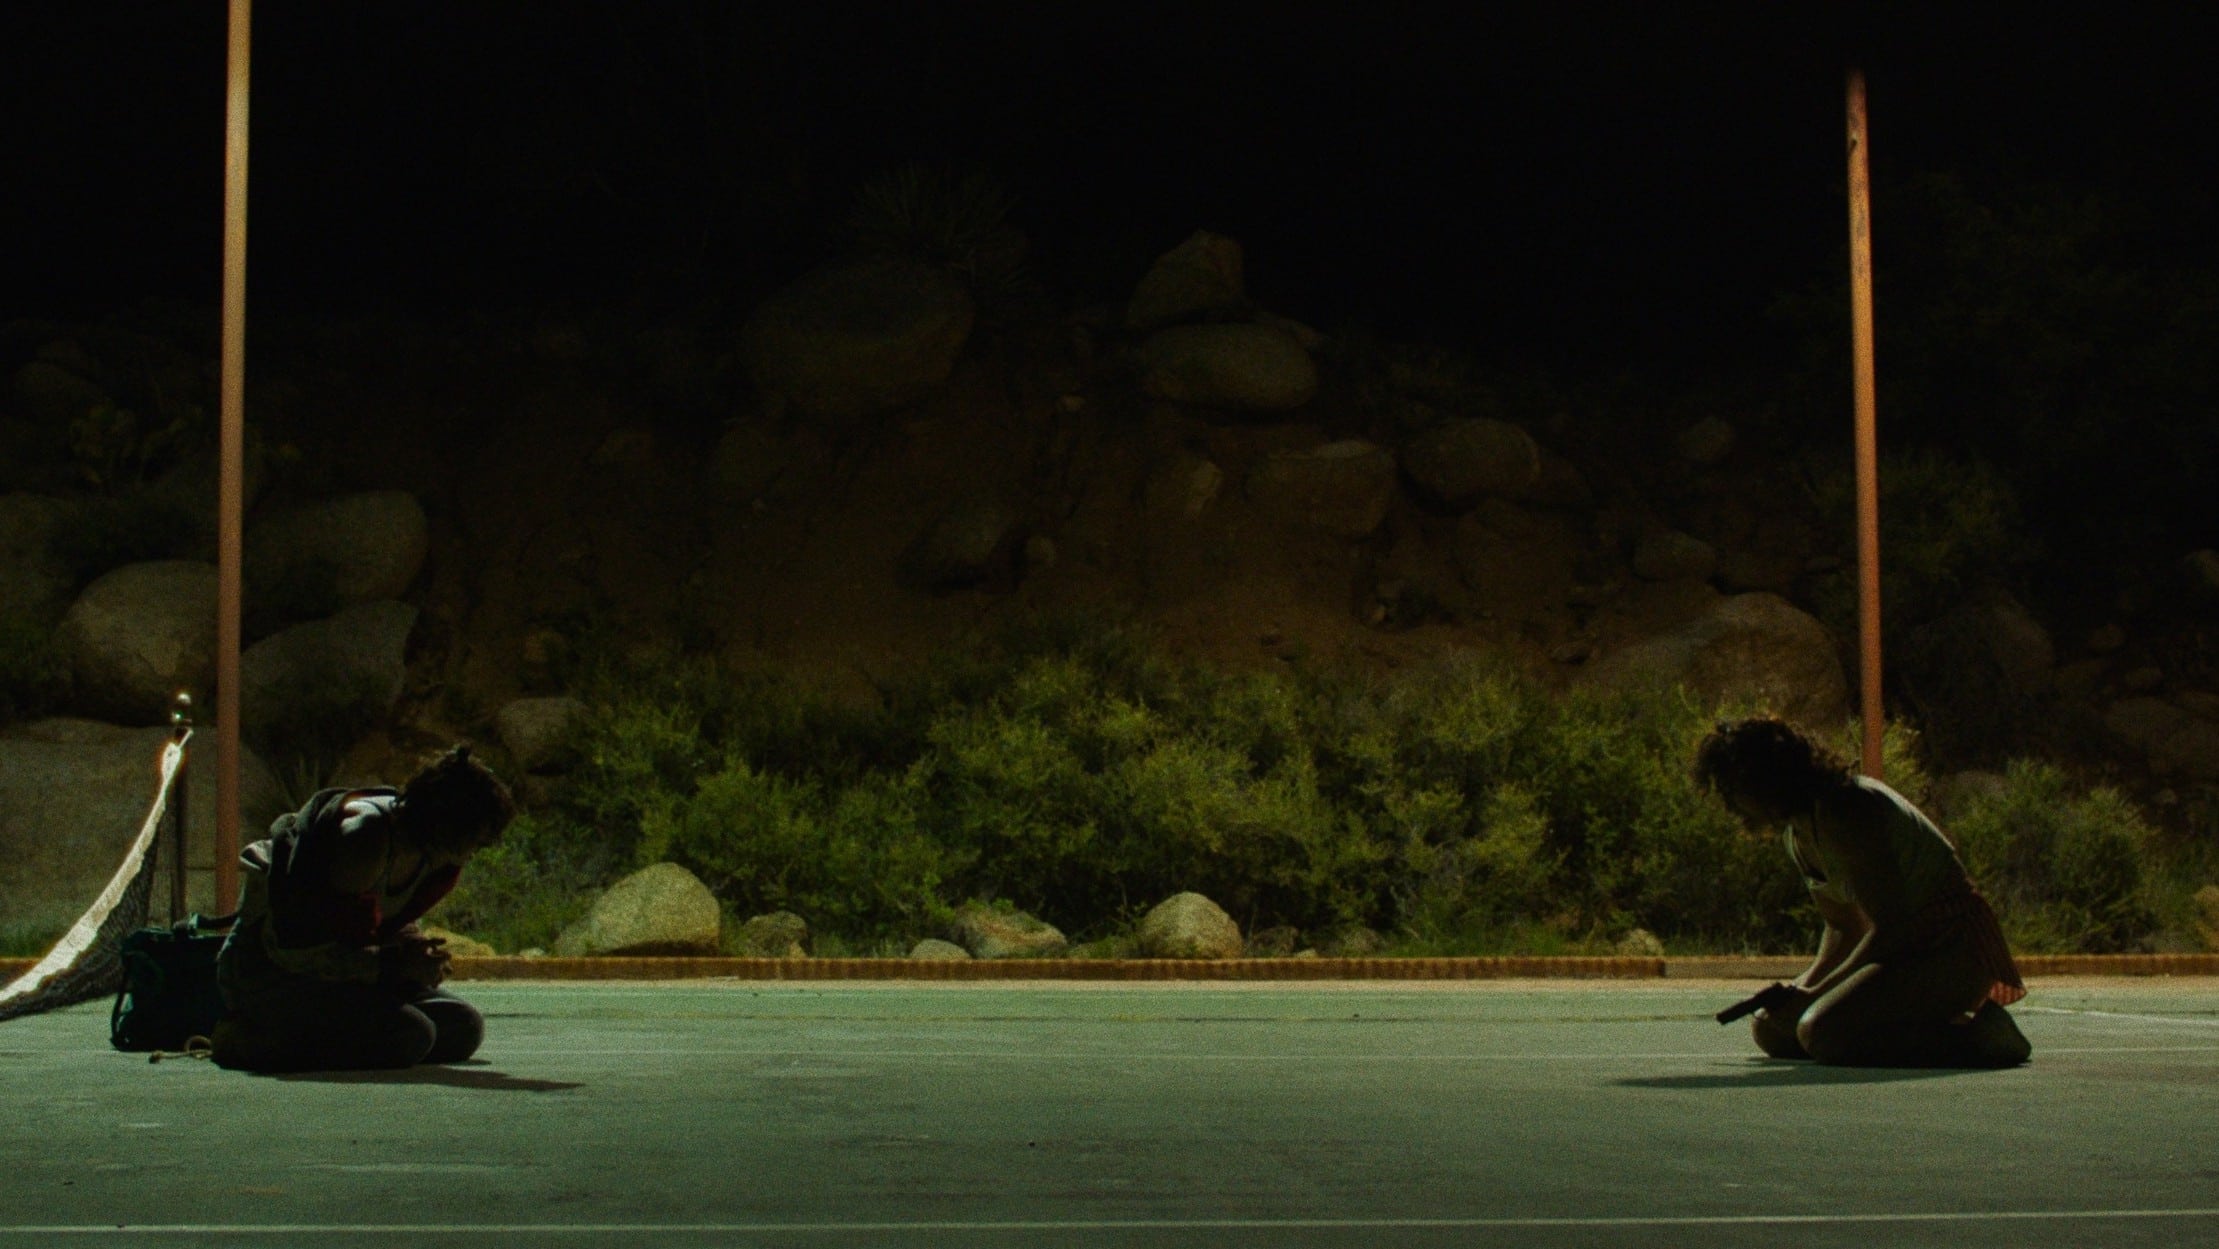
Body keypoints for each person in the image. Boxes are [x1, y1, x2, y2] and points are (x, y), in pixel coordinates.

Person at [1694, 717, 2031, 1068]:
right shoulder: (1799, 834)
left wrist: (1814, 994)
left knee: (1824, 1033)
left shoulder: (1846, 810)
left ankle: (1976, 1037)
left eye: (1733, 788)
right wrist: (1800, 992)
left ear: (1765, 779)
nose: (1730, 802)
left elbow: (1894, 928)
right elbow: (1843, 927)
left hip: (1953, 950)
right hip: (1909, 952)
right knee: (1774, 1029)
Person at [211, 744, 515, 1072]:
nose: (474, 851)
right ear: (448, 826)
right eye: (474, 839)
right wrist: (392, 966)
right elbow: (298, 947)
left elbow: (382, 918)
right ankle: (251, 1039)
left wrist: (414, 951)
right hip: (273, 973)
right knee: (409, 1035)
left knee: (461, 1027)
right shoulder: (365, 842)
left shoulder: (432, 853)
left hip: (345, 975)